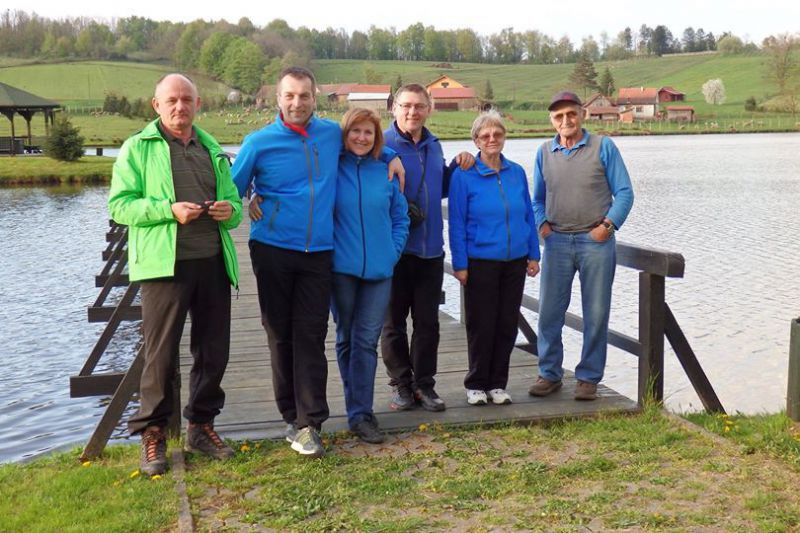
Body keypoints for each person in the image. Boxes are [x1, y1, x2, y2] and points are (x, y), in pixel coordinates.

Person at [233, 67, 403, 458]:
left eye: (304, 95)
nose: (297, 102)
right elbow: (230, 187)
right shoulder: (258, 142)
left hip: (319, 253)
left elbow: (364, 142)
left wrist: (392, 155)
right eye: (289, 95)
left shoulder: (329, 134)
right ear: (278, 98)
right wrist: (249, 194)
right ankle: (291, 418)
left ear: (315, 97)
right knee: (280, 334)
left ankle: (311, 422)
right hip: (272, 248)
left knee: (311, 335)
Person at [108, 73, 242, 475]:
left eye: (187, 99)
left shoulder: (212, 148)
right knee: (161, 354)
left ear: (197, 104)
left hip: (212, 261)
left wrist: (229, 211)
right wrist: (168, 210)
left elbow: (235, 205)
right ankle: (153, 434)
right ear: (157, 105)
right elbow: (120, 206)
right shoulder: (138, 148)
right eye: (172, 100)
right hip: (163, 266)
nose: (180, 106)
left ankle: (201, 425)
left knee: (213, 350)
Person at [530, 90, 634, 401]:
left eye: (571, 114)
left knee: (596, 313)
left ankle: (588, 378)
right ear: (552, 120)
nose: (566, 120)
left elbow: (625, 193)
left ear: (582, 114)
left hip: (595, 242)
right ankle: (549, 373)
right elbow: (536, 199)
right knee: (549, 312)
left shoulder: (604, 146)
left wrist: (608, 226)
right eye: (559, 116)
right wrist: (542, 225)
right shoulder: (544, 152)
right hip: (557, 242)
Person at [380, 83, 474, 413]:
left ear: (429, 109)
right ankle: (402, 385)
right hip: (394, 251)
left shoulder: (434, 145)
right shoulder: (381, 143)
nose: (412, 112)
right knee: (393, 324)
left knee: (428, 324)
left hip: (431, 249)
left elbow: (439, 188)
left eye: (419, 106)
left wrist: (458, 165)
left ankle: (424, 385)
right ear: (394, 108)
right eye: (406, 105)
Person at [448, 110, 540, 406]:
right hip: (480, 260)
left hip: (515, 260)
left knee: (506, 323)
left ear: (504, 137)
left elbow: (527, 214)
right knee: (481, 324)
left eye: (497, 134)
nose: (492, 139)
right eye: (485, 135)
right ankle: (476, 384)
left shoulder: (516, 172)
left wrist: (534, 253)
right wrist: (460, 264)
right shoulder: (463, 175)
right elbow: (457, 222)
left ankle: (498, 384)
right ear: (476, 140)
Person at [330, 108, 409, 443]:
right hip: (341, 271)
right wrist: (258, 192)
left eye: (369, 132)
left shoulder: (385, 171)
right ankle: (356, 408)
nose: (361, 138)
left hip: (379, 271)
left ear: (377, 137)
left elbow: (400, 218)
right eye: (355, 131)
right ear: (345, 134)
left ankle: (361, 414)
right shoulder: (332, 167)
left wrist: (392, 252)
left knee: (365, 341)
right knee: (346, 338)